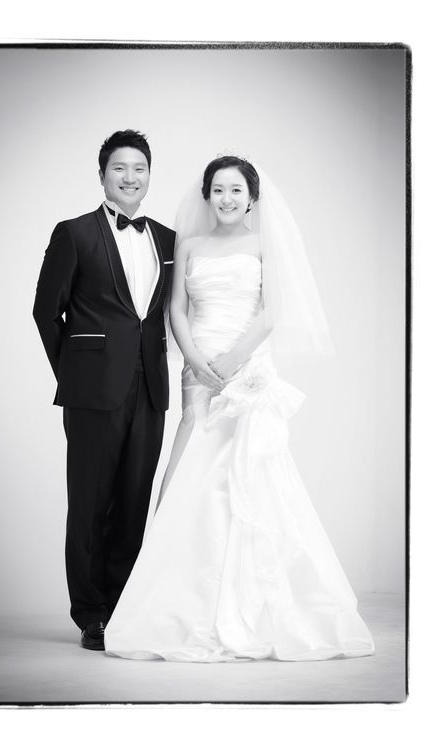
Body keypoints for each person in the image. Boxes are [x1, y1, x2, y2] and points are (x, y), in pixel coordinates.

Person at [102, 155, 375, 662]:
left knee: (249, 474)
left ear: (252, 198)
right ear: (207, 196)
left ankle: (253, 604)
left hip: (245, 365)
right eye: (218, 190)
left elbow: (272, 311)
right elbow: (176, 308)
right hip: (198, 367)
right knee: (186, 472)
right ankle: (178, 606)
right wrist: (194, 359)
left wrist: (232, 360)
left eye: (235, 190)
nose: (226, 199)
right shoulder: (189, 245)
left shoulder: (263, 244)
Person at [33, 130, 175, 650]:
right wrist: (75, 375)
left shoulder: (168, 239)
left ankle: (122, 608)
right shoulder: (74, 233)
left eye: (139, 168)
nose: (130, 177)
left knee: (134, 501)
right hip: (92, 391)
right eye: (120, 168)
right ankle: (91, 613)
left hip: (150, 388)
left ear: (149, 175)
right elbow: (45, 311)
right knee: (91, 501)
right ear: (102, 175)